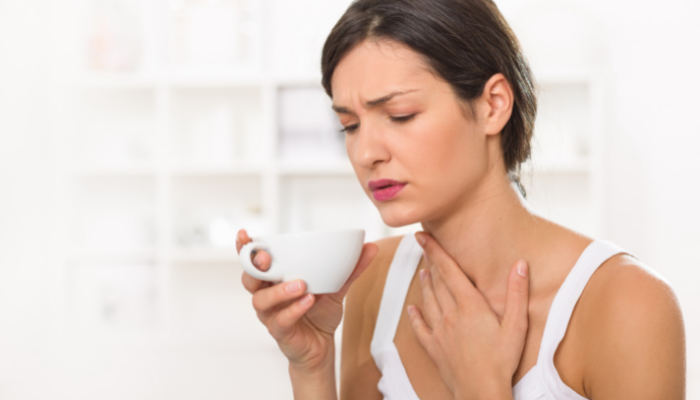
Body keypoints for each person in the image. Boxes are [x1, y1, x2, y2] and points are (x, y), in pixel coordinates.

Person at [237, 0, 686, 398]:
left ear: (493, 105)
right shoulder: (375, 282)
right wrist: (311, 368)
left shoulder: (627, 305)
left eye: (400, 115)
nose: (367, 153)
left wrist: (483, 391)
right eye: (350, 126)